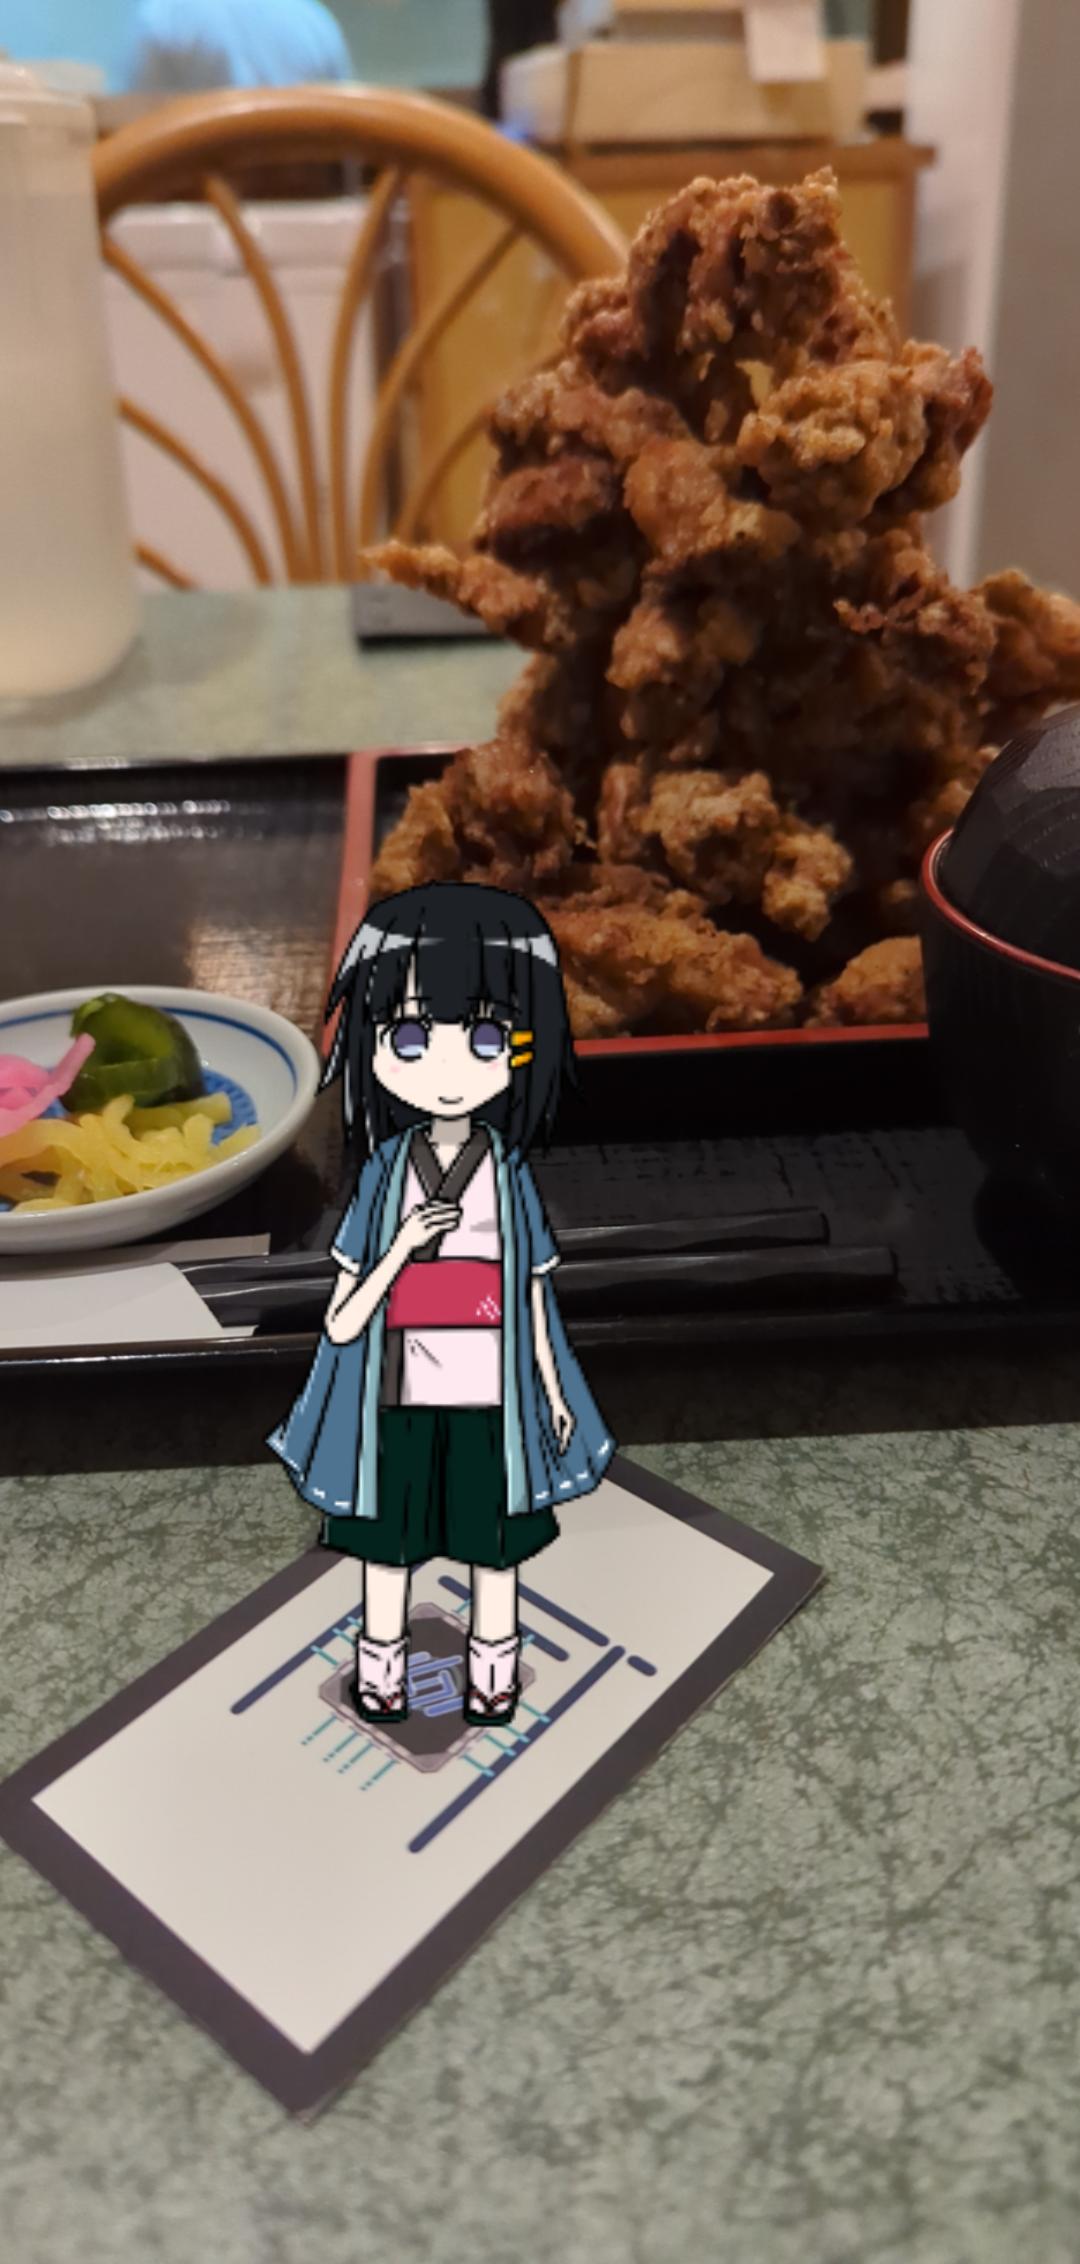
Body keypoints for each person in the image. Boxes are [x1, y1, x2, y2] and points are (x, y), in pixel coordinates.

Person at [268, 882, 614, 1729]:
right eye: (412, 1037)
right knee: (387, 1551)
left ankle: (493, 1680)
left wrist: (555, 1392)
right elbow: (343, 1321)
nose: (450, 1067)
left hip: (492, 1399)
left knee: (496, 1550)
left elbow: (530, 1293)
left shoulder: (511, 1172)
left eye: (488, 1036)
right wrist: (400, 1248)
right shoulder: (384, 1173)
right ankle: (379, 1675)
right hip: (397, 1399)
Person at [124, 0, 354, 92]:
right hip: (306, 182)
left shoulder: (164, 15)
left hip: (195, 180)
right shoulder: (316, 22)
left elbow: (134, 125)